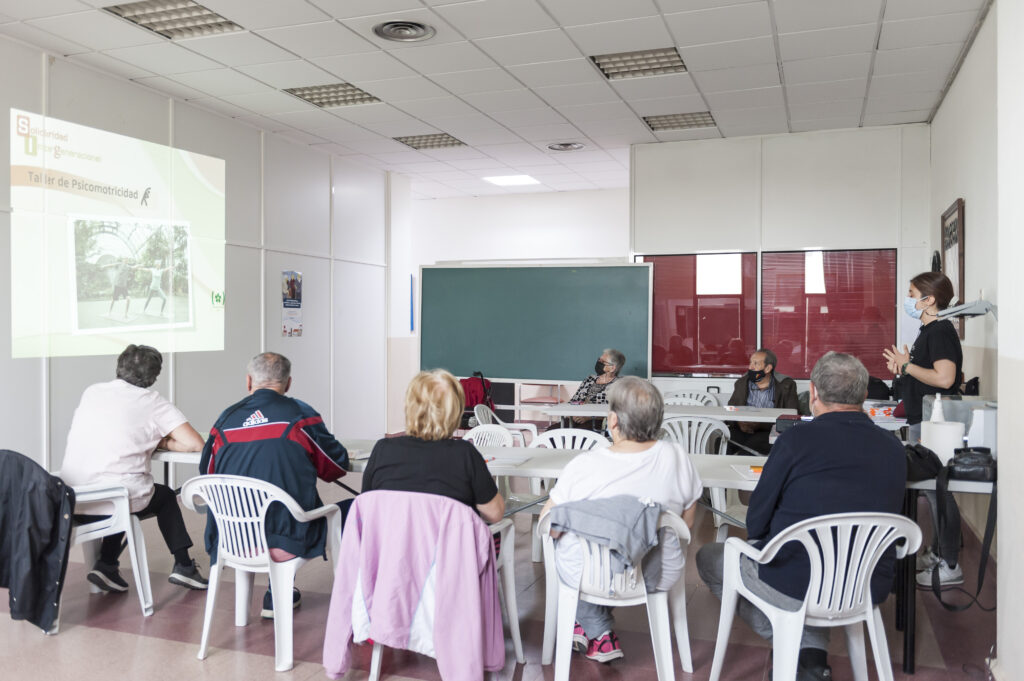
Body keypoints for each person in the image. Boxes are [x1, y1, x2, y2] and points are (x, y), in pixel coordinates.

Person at [697, 352, 906, 681]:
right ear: (865, 396)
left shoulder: (794, 440)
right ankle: (810, 655)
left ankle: (799, 646)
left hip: (795, 581)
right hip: (865, 583)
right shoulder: (894, 449)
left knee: (710, 557)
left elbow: (757, 522)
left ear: (815, 395)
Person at [540, 377, 703, 663]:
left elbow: (547, 524)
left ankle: (594, 627)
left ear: (613, 420)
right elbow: (686, 523)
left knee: (570, 539)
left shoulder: (584, 465)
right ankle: (592, 627)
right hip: (657, 572)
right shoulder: (677, 457)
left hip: (589, 576)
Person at [199, 352, 349, 618]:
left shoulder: (224, 420)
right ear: (288, 383)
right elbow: (334, 467)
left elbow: (207, 473)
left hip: (233, 537)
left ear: (248, 382)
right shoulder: (301, 416)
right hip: (289, 536)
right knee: (354, 508)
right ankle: (353, 603)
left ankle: (275, 592)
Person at [60, 344, 209, 592]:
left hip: (74, 499)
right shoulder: (152, 402)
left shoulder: (92, 392)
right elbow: (195, 444)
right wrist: (161, 440)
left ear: (119, 367)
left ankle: (107, 564)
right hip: (110, 501)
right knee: (163, 497)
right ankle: (184, 566)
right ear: (153, 377)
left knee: (120, 490)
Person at [882, 271, 965, 586]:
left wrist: (907, 366)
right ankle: (940, 553)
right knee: (932, 492)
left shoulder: (941, 331)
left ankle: (951, 565)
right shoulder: (927, 331)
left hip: (934, 423)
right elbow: (924, 373)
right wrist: (904, 371)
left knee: (937, 492)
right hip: (921, 419)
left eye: (912, 292)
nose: (908, 299)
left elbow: (944, 379)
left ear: (929, 299)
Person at [361, 369, 504, 524]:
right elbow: (494, 514)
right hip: (449, 547)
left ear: (409, 407)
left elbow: (367, 506)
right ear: (455, 412)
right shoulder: (465, 454)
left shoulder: (383, 450)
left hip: (395, 546)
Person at [726, 348, 799, 454]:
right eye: (750, 363)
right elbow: (730, 409)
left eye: (755, 364)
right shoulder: (741, 383)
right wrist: (739, 422)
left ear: (768, 368)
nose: (750, 367)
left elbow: (791, 417)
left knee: (752, 448)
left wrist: (761, 425)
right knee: (722, 441)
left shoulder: (786, 385)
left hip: (769, 431)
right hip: (742, 429)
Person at [566, 348, 624, 430]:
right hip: (576, 417)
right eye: (599, 360)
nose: (599, 363)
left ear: (612, 368)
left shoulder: (619, 385)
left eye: (603, 362)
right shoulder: (589, 379)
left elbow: (617, 412)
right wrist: (573, 414)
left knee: (579, 434)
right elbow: (573, 401)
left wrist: (589, 417)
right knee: (552, 431)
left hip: (597, 421)